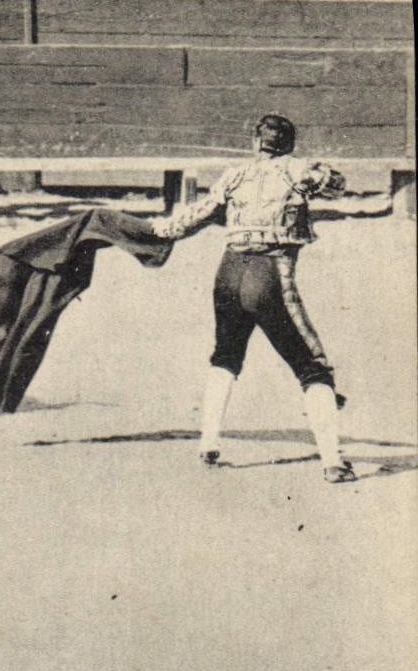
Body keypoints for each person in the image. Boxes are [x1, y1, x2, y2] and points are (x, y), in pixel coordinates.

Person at [150, 114, 356, 483]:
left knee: (226, 354)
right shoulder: (298, 170)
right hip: (270, 273)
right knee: (313, 366)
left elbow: (193, 217)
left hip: (228, 273)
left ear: (254, 142)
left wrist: (158, 229)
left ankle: (209, 444)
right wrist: (315, 173)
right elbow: (337, 187)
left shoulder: (234, 174)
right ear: (289, 143)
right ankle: (333, 462)